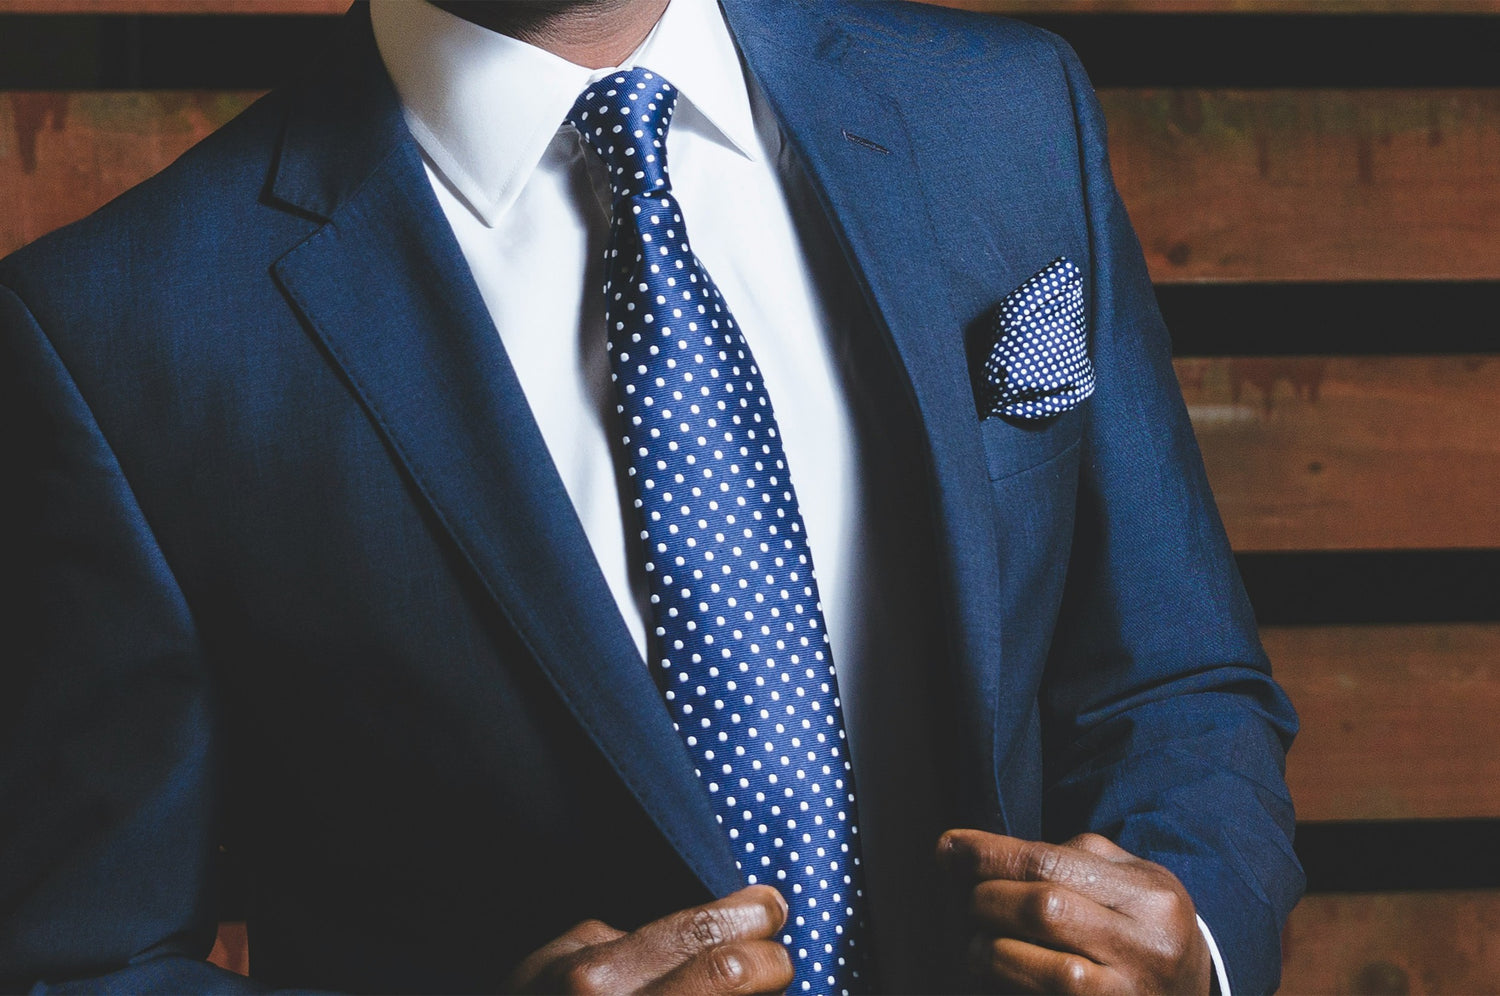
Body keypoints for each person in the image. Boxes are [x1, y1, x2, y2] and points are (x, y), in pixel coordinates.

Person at [0, 0, 1303, 993]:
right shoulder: (119, 333)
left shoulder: (1007, 116)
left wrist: (1192, 945)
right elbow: (83, 959)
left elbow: (1175, 687)